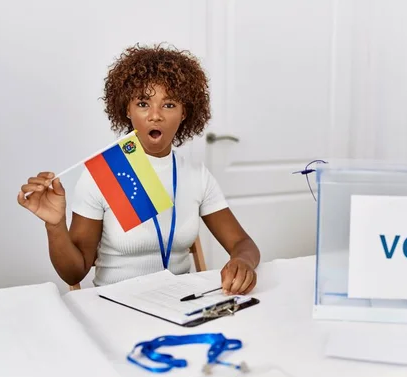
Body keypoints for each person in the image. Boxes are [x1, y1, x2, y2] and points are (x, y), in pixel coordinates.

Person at [17, 43, 259, 295]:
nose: (155, 116)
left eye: (169, 104)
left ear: (184, 112)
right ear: (127, 109)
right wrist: (55, 226)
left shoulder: (197, 176)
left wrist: (243, 261)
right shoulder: (106, 172)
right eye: (143, 103)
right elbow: (74, 272)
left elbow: (243, 243)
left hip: (181, 302)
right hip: (116, 306)